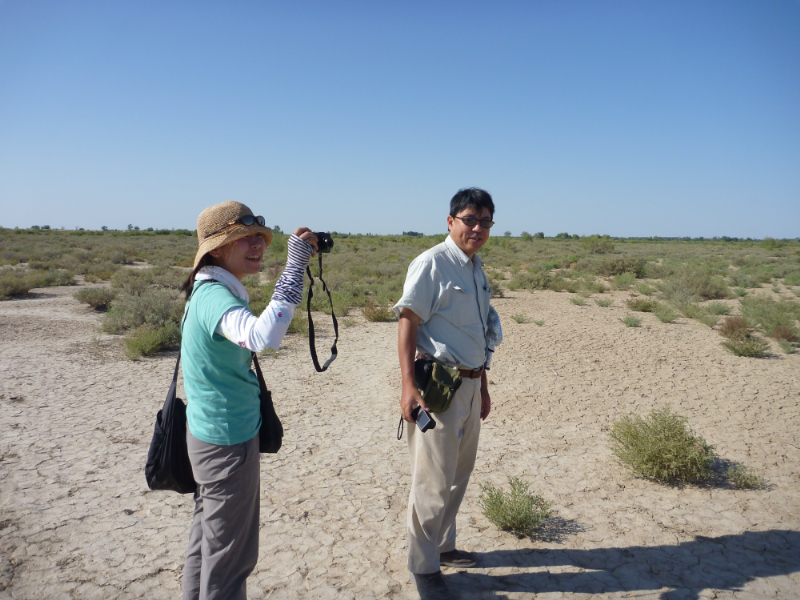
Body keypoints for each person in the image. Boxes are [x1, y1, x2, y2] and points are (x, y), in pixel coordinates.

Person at [178, 200, 318, 600]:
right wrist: (294, 268)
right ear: (217, 249)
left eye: (260, 236)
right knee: (230, 558)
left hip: (209, 435)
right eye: (245, 238)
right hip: (227, 441)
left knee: (206, 543)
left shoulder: (208, 290)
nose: (258, 244)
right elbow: (263, 337)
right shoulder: (214, 298)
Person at [393, 188, 502, 600]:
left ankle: (443, 546)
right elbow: (408, 322)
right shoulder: (431, 264)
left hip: (472, 385)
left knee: (458, 474)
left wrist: (484, 388)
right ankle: (423, 567)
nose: (477, 227)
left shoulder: (475, 269)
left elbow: (479, 334)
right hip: (438, 387)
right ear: (451, 221)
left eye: (485, 221)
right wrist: (407, 385)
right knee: (432, 480)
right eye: (470, 219)